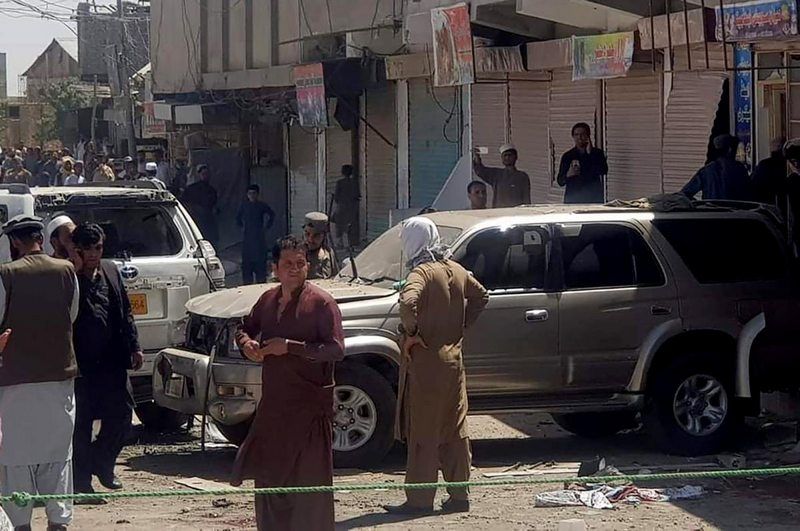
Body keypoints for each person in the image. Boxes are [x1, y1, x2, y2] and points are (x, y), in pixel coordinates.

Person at [232, 235, 344, 531]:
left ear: (307, 266)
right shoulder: (268, 300)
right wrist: (247, 344)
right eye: (287, 264)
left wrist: (291, 347)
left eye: (300, 263)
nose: (294, 269)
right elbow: (243, 327)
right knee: (270, 483)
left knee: (309, 491)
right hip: (274, 410)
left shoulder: (321, 303)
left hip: (309, 412)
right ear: (275, 268)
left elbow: (336, 350)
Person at [384, 217, 489, 515]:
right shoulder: (455, 269)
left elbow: (407, 302)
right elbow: (481, 295)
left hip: (427, 363)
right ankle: (459, 496)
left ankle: (419, 499)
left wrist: (412, 334)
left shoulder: (422, 272)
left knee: (424, 432)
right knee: (455, 428)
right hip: (454, 361)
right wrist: (462, 326)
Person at [0, 215, 79, 531]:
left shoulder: (6, 274)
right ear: (40, 240)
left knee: (16, 460)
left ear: (16, 242)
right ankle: (58, 521)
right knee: (58, 457)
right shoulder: (66, 271)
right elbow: (71, 315)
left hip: (14, 382)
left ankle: (21, 524)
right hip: (59, 379)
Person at [70, 223, 143, 499]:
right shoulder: (69, 276)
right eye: (86, 249)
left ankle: (102, 463)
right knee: (82, 424)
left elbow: (125, 311)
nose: (93, 254)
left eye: (97, 248)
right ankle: (81, 481)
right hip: (82, 365)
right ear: (77, 250)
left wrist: (135, 347)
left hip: (113, 360)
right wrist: (75, 269)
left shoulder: (111, 270)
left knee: (123, 417)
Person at [682, 134, 751, 201]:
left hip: (711, 211)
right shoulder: (740, 169)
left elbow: (685, 194)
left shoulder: (706, 170)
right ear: (730, 150)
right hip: (735, 212)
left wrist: (700, 205)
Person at [557, 122, 609, 204]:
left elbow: (603, 171)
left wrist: (590, 153)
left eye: (582, 134)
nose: (579, 138)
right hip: (573, 199)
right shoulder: (568, 156)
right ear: (573, 137)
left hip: (593, 198)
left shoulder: (597, 153)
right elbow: (560, 181)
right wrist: (568, 174)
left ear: (588, 136)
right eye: (576, 135)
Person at [236, 185, 276, 285]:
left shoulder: (261, 205)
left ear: (257, 194)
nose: (252, 196)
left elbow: (272, 214)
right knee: (247, 264)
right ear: (247, 195)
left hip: (259, 237)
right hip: (247, 237)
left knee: (260, 264)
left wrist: (267, 227)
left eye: (254, 193)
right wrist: (242, 227)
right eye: (250, 193)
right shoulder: (244, 206)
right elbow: (237, 218)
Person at [182, 164, 219, 246]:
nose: (205, 176)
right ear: (199, 175)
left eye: (207, 174)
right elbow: (184, 201)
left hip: (207, 220)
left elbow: (214, 205)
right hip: (195, 219)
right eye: (203, 174)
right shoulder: (192, 189)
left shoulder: (212, 190)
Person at [752, 137, 788, 211]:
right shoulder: (789, 165)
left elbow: (753, 186)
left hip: (767, 206)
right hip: (785, 204)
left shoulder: (764, 164)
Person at [332, 164, 360, 249]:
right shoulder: (355, 183)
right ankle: (350, 244)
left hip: (342, 207)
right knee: (351, 226)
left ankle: (340, 243)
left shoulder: (340, 183)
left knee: (340, 225)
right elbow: (357, 196)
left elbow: (336, 197)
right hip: (352, 207)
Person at [303, 212, 337, 280]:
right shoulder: (296, 254)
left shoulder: (329, 253)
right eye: (307, 234)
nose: (310, 239)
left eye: (316, 235)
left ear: (324, 236)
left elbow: (335, 278)